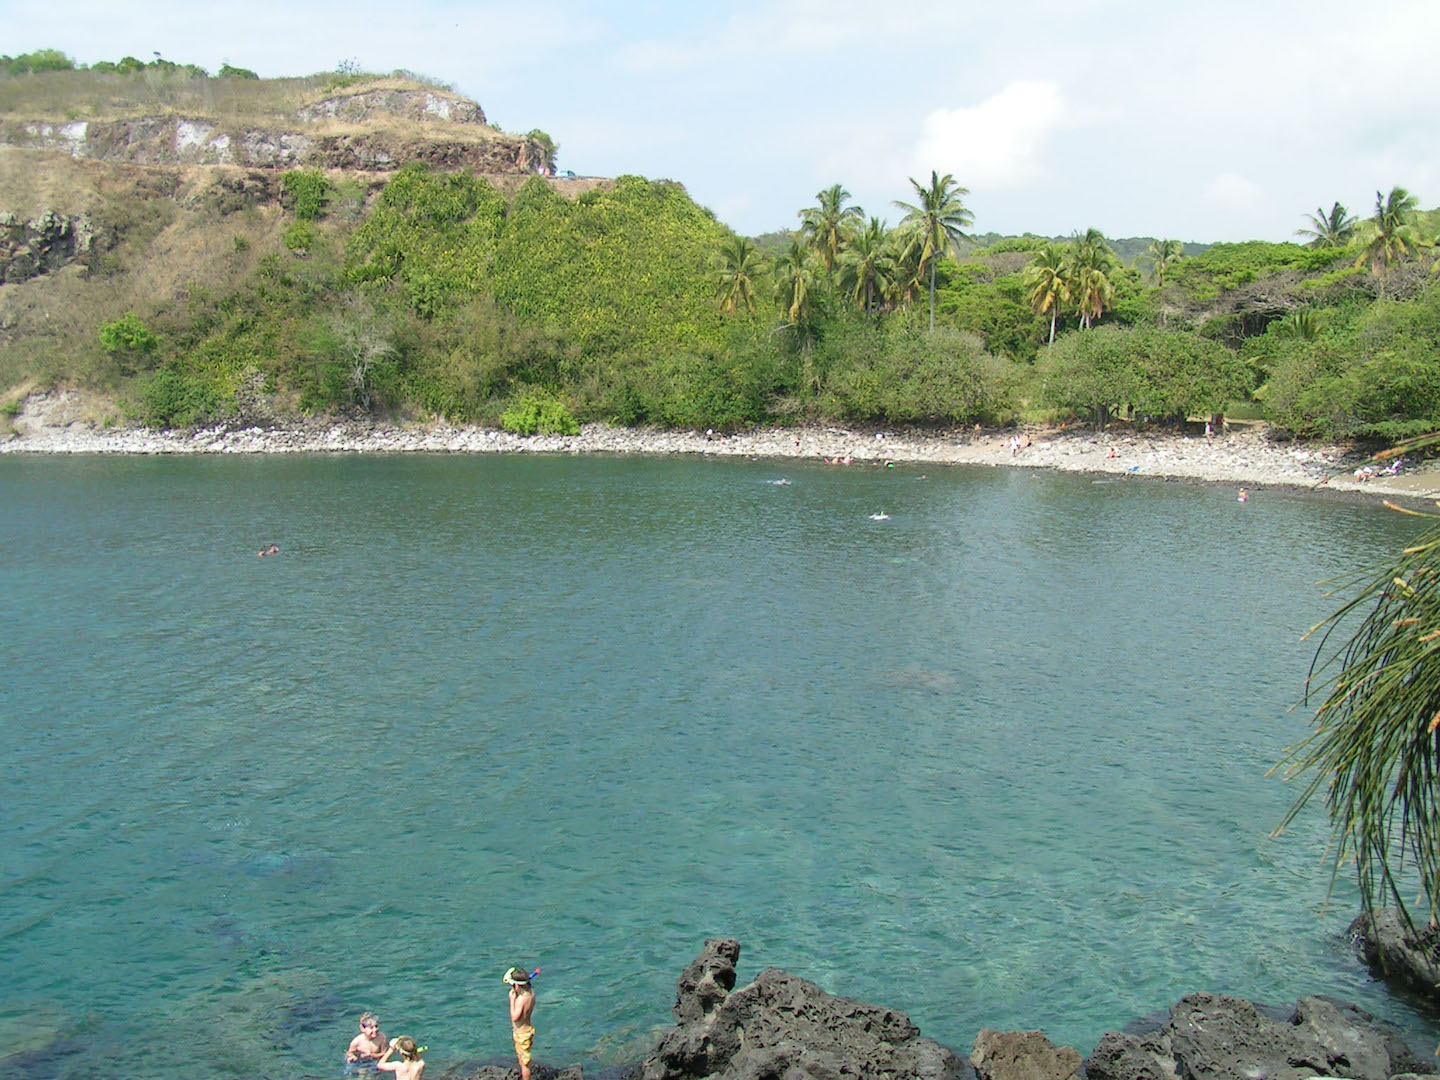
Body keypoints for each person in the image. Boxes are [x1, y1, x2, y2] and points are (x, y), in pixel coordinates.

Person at [505, 966, 536, 1080]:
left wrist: (512, 1000)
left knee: (524, 1064)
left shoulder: (521, 1000)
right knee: (523, 1059)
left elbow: (515, 1017)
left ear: (517, 985)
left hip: (522, 1035)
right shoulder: (531, 994)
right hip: (527, 1030)